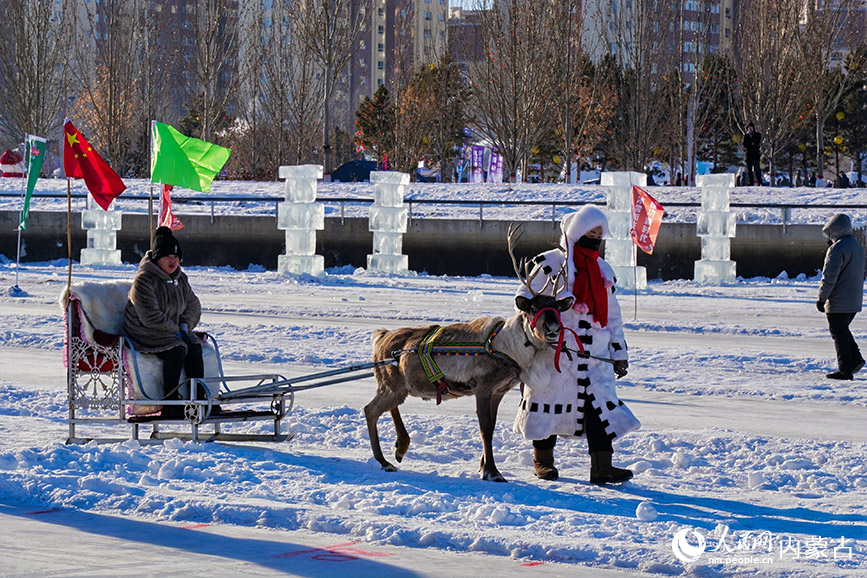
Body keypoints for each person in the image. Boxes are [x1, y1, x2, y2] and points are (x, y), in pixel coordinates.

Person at [514, 206, 641, 484]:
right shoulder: (550, 264)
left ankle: (602, 467)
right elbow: (526, 299)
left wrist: (619, 353)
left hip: (595, 357)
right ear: (575, 233)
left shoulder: (603, 270)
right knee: (546, 404)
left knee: (600, 409)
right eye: (589, 233)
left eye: (599, 234)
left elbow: (613, 318)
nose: (595, 239)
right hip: (554, 354)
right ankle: (543, 461)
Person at [123, 226, 205, 417]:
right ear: (157, 257)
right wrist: (176, 331)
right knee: (176, 348)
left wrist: (184, 326)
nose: (173, 260)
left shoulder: (180, 279)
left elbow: (194, 306)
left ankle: (199, 398)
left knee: (193, 345)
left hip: (170, 331)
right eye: (168, 256)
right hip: (143, 332)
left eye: (176, 257)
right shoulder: (144, 280)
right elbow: (150, 316)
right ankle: (170, 401)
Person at [817, 214, 866, 380]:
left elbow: (829, 277)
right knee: (842, 331)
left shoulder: (837, 249)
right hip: (854, 299)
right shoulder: (858, 247)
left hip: (838, 300)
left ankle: (845, 369)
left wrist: (822, 298)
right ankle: (856, 360)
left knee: (838, 333)